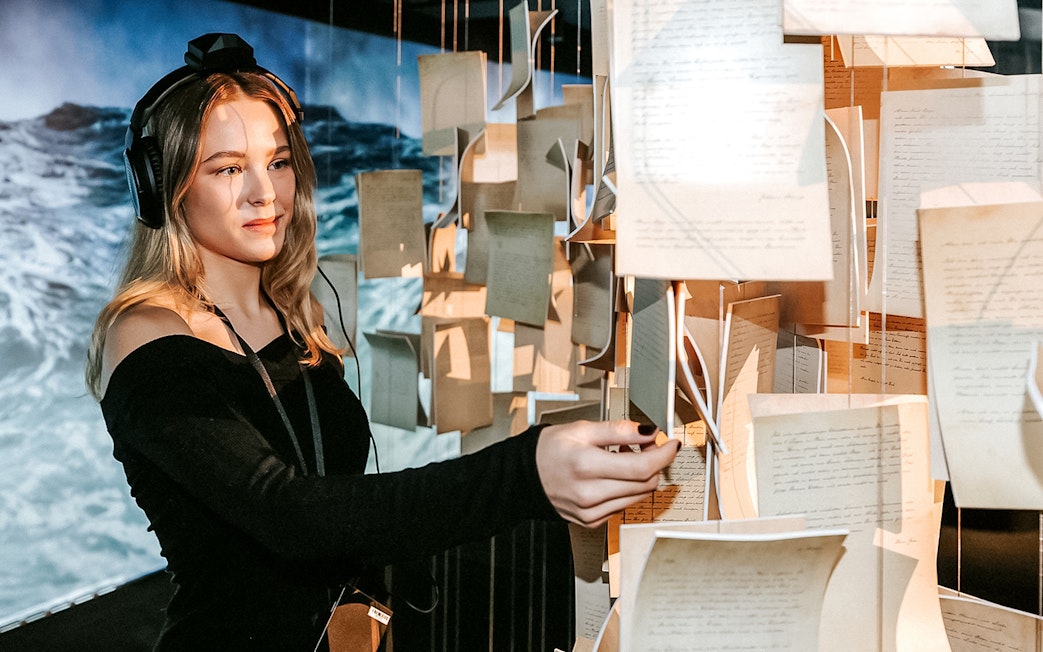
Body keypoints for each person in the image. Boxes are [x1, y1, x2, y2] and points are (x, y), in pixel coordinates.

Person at [85, 33, 679, 650]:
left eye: (279, 161)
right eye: (228, 168)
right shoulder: (145, 333)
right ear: (164, 188)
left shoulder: (290, 310)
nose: (266, 192)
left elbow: (339, 504)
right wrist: (525, 473)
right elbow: (289, 515)